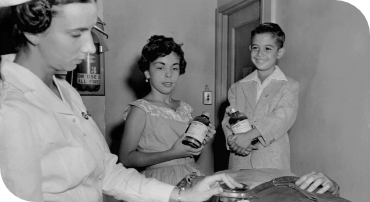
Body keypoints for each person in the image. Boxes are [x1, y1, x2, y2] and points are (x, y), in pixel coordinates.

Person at [0, 0, 240, 201]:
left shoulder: (67, 92)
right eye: (76, 33)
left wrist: (181, 194)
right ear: (34, 32)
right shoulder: (9, 109)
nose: (90, 47)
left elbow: (107, 172)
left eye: (90, 31)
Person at [120, 35, 215, 185]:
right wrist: (171, 154)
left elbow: (190, 154)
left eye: (174, 67)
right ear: (147, 72)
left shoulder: (184, 108)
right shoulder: (141, 109)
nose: (169, 74)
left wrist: (203, 142)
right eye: (160, 67)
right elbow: (126, 158)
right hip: (159, 182)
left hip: (191, 176)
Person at [222, 22, 299, 171]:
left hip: (272, 164)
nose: (260, 54)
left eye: (268, 48)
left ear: (279, 53)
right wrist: (233, 142)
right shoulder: (237, 87)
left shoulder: (289, 85)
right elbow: (227, 120)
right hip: (239, 163)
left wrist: (249, 135)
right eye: (255, 47)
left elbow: (282, 117)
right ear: (250, 49)